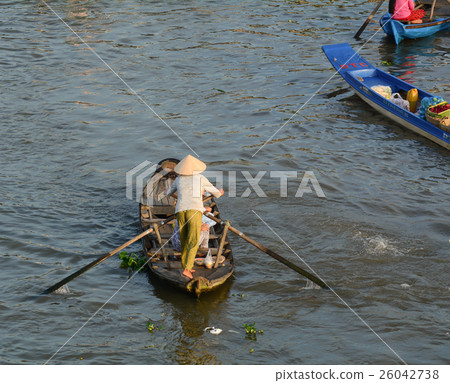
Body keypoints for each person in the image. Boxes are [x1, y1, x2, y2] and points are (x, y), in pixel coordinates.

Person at [166, 155, 224, 280]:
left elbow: (168, 193)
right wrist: (220, 192)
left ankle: (186, 266)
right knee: (193, 239)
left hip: (180, 210)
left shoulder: (178, 179)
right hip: (194, 211)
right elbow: (217, 194)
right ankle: (187, 269)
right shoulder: (200, 178)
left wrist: (182, 196)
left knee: (184, 237)